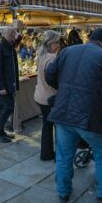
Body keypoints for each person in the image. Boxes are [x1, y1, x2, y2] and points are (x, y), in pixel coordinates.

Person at [45, 28, 102, 203]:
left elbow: (49, 74)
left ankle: (63, 192)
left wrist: (64, 88)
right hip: (89, 115)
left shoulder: (67, 51)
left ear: (90, 38)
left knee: (64, 155)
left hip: (63, 112)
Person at [33, 30, 61, 161]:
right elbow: (52, 79)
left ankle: (46, 154)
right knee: (58, 127)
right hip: (49, 98)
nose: (59, 45)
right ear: (50, 43)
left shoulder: (42, 55)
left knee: (47, 125)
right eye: (57, 42)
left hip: (40, 96)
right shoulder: (51, 58)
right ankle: (57, 155)